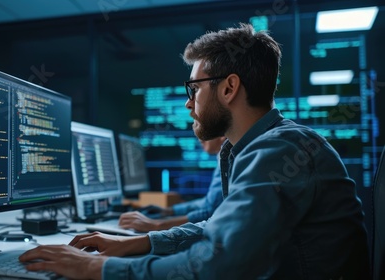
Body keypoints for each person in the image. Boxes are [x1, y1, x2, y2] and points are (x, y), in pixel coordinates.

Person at [19, 23, 370, 279]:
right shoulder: (255, 147)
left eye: (194, 88)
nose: (189, 103)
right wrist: (138, 243)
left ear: (229, 87)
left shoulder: (279, 150)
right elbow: (219, 229)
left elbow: (220, 263)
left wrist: (97, 267)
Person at [118, 136, 226, 232]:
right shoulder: (223, 157)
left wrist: (157, 225)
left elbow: (211, 212)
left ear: (222, 135)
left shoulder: (230, 161)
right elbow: (208, 203)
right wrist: (170, 211)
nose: (199, 138)